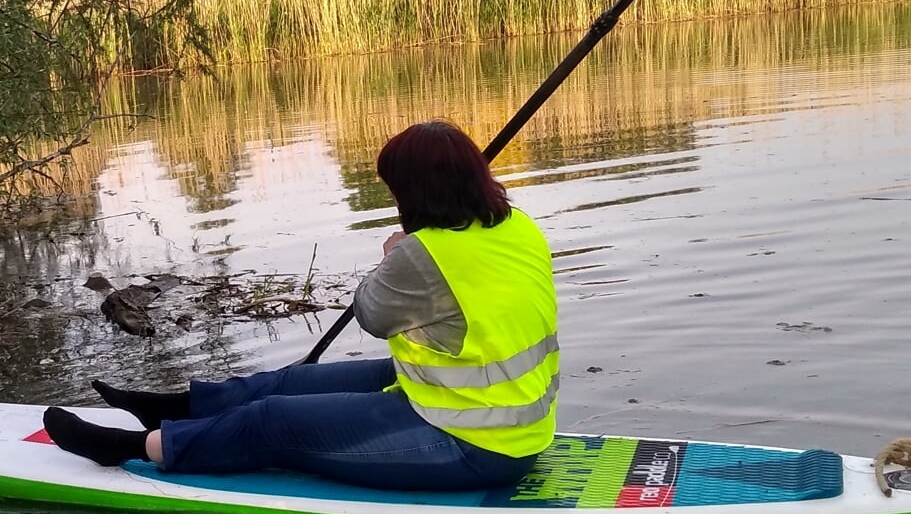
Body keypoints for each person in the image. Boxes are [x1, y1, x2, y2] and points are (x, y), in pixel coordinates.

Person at [43, 120, 559, 492]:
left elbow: (374, 315)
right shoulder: (517, 225)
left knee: (273, 420)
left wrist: (391, 255)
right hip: (479, 411)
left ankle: (135, 449)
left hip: (474, 447)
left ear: (414, 192)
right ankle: (170, 407)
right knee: (291, 382)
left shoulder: (425, 254)